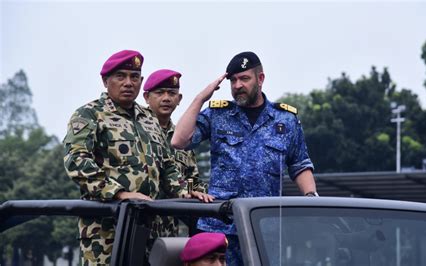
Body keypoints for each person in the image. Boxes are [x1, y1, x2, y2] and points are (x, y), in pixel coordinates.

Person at [171, 51, 318, 265]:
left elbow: (299, 164)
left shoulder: (285, 119)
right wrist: (201, 98)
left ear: (260, 79)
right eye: (233, 80)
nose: (238, 85)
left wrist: (311, 197)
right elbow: (179, 141)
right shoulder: (217, 114)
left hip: (265, 228)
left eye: (244, 79)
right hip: (219, 227)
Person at [63, 50, 190, 265]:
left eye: (134, 77)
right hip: (107, 231)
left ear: (141, 82)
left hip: (152, 229)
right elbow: (76, 161)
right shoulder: (90, 114)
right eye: (120, 76)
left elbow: (167, 164)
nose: (128, 83)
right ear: (105, 81)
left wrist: (185, 192)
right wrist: (119, 193)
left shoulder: (149, 118)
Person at [143, 69, 214, 235]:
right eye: (159, 93)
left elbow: (191, 178)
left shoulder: (180, 139)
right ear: (146, 97)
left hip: (169, 230)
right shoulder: (134, 131)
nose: (166, 98)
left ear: (179, 99)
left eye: (172, 93)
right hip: (136, 225)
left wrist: (192, 192)